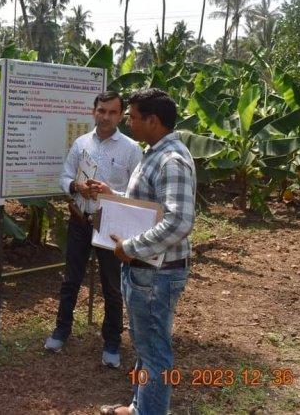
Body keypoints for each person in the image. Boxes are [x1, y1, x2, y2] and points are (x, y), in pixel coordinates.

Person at [99, 88, 196, 415]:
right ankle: (139, 406)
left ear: (153, 120)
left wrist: (131, 246)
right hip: (147, 270)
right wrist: (110, 194)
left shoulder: (171, 160)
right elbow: (148, 205)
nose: (127, 121)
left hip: (157, 273)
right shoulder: (155, 152)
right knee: (146, 345)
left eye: (133, 116)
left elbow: (179, 221)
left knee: (155, 352)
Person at [44, 91, 143, 368]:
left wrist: (111, 193)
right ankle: (62, 330)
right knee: (70, 281)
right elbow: (65, 176)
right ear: (93, 112)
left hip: (110, 224)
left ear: (121, 115)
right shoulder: (81, 143)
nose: (106, 117)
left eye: (112, 112)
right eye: (101, 110)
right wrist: (77, 187)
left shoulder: (131, 149)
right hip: (80, 220)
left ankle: (112, 341)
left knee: (112, 287)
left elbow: (138, 194)